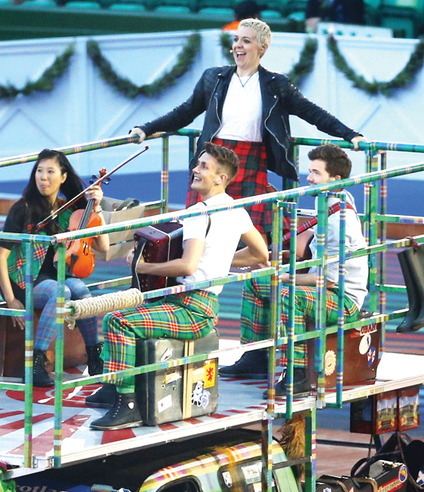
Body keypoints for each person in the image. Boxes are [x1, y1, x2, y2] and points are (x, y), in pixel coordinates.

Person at [84, 143, 269, 430]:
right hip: (203, 305)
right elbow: (261, 254)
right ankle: (114, 386)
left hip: (190, 307)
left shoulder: (198, 212)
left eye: (204, 166)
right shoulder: (236, 208)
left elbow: (187, 266)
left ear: (221, 178)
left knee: (117, 320)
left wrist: (143, 267)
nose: (195, 169)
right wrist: (220, 260)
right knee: (132, 309)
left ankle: (127, 403)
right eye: (198, 164)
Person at [129, 19, 365, 238]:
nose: (238, 46)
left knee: (254, 233)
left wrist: (350, 134)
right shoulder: (214, 78)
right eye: (236, 40)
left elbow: (313, 113)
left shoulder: (276, 84)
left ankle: (255, 283)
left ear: (262, 47)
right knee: (197, 228)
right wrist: (146, 129)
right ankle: (194, 279)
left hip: (251, 161)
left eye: (246, 41)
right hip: (212, 159)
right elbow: (184, 112)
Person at [222, 145, 368, 397]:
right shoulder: (334, 202)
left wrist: (284, 276)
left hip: (344, 301)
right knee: (256, 283)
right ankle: (257, 356)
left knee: (289, 295)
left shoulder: (338, 221)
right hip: (327, 290)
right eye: (310, 171)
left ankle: (297, 374)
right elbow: (319, 261)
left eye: (316, 173)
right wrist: (287, 262)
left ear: (336, 180)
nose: (309, 178)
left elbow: (328, 281)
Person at [0, 149, 109, 387]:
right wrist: (11, 299)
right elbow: (0, 257)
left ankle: (94, 356)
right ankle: (35, 362)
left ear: (63, 177)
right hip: (26, 281)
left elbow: (103, 246)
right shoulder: (22, 208)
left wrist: (96, 207)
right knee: (61, 292)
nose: (43, 177)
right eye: (39, 171)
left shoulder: (68, 211)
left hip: (53, 277)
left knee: (80, 291)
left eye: (50, 172)